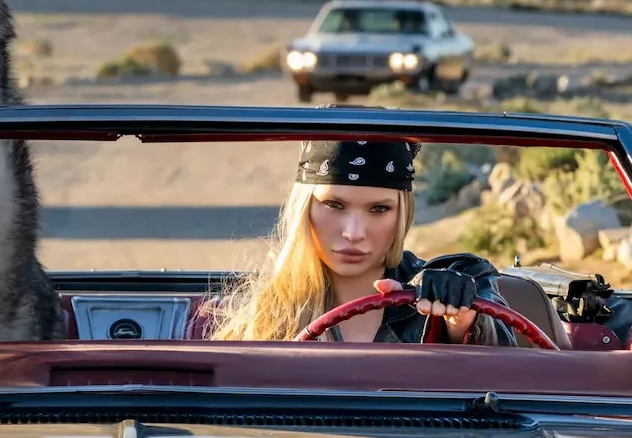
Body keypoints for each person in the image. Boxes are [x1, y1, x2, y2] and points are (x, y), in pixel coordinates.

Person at [212, 138, 524, 344]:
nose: (354, 232)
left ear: (402, 215)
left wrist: (462, 323)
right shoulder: (268, 315)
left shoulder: (460, 276)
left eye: (379, 209)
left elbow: (507, 365)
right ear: (304, 210)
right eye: (334, 205)